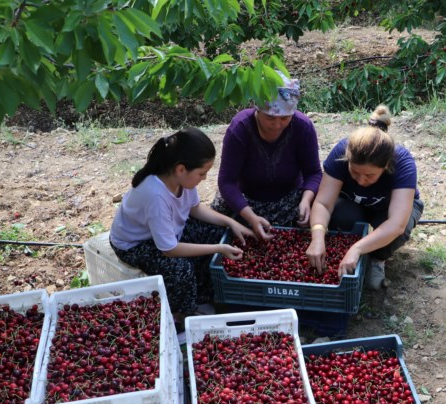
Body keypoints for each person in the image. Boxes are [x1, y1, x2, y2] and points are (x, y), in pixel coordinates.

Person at [110, 127, 255, 324]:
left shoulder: (183, 182)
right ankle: (182, 315)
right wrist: (219, 248)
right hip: (135, 245)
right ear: (181, 169)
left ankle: (203, 296)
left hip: (166, 232)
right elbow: (169, 249)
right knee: (180, 268)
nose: (204, 178)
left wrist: (230, 222)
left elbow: (195, 209)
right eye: (202, 173)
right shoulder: (155, 195)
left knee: (216, 233)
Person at [306, 105, 424, 290]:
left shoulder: (402, 162)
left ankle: (377, 258)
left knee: (401, 226)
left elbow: (396, 224)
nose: (361, 180)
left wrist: (357, 249)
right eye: (355, 172)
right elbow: (322, 202)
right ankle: (349, 250)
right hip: (353, 204)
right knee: (341, 215)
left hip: (387, 209)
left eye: (370, 176)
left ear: (386, 166)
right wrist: (318, 236)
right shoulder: (340, 153)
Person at [210, 71, 322, 239]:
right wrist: (250, 216)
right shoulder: (240, 129)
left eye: (285, 118)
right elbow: (227, 181)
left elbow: (313, 173)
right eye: (270, 117)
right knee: (215, 231)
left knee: (319, 221)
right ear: (258, 108)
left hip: (290, 199)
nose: (277, 125)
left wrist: (306, 200)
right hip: (246, 201)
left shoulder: (303, 127)